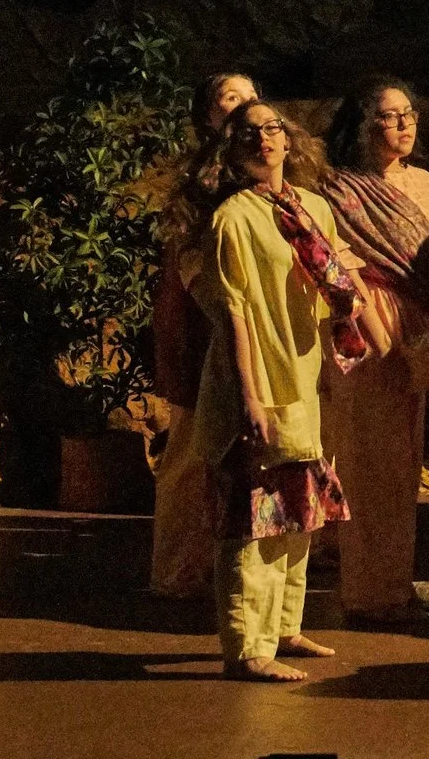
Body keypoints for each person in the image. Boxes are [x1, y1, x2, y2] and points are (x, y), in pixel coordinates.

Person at [183, 102, 368, 681]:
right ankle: (247, 646)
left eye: (273, 128)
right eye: (248, 132)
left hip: (304, 373)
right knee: (255, 515)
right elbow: (234, 311)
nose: (263, 139)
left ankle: (285, 626)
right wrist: (250, 394)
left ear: (289, 141)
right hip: (258, 374)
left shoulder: (311, 208)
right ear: (230, 148)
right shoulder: (232, 218)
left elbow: (332, 286)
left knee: (300, 510)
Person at [319, 77, 429, 623]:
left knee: (403, 458)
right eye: (388, 115)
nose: (403, 124)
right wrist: (373, 325)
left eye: (409, 114)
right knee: (365, 453)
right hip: (364, 318)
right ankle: (367, 589)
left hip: (416, 321)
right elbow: (335, 263)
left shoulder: (425, 184)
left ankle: (393, 583)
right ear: (361, 125)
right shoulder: (335, 189)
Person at [150, 72, 260, 600]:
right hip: (205, 314)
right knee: (193, 445)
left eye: (251, 97)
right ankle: (177, 568)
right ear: (208, 114)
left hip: (261, 319)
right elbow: (188, 253)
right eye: (230, 97)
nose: (244, 106)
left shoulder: (269, 170)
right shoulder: (202, 178)